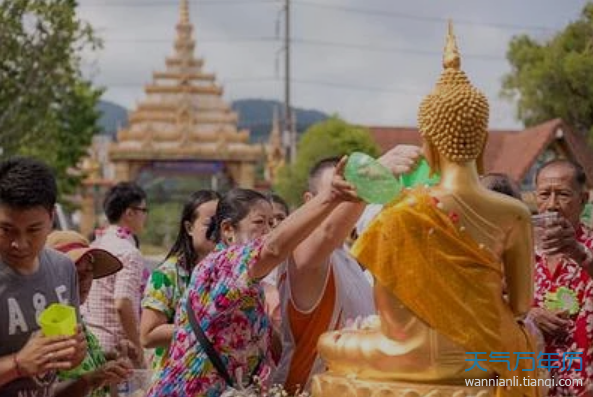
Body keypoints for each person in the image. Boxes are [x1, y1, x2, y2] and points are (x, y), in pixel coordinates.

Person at [315, 25, 539, 397]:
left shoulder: (400, 212)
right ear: (483, 140)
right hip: (492, 356)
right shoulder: (515, 212)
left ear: (428, 141)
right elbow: (520, 304)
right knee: (529, 359)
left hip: (412, 356)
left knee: (332, 342)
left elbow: (391, 320)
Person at [146, 159, 358, 397]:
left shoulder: (249, 282)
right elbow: (274, 248)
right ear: (228, 230)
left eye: (272, 223)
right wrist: (331, 195)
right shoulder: (221, 265)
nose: (269, 231)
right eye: (259, 223)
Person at [274, 145, 421, 392]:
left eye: (350, 189)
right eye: (337, 192)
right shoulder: (301, 256)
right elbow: (328, 231)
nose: (347, 196)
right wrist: (371, 175)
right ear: (310, 202)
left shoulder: (349, 260)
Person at [0, 157, 86, 397]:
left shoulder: (64, 269)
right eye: (6, 230)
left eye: (34, 230)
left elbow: (66, 364)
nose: (20, 243)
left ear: (51, 217)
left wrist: (75, 354)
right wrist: (18, 364)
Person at [529, 159, 593, 396]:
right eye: (545, 194)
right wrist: (529, 313)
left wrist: (577, 251)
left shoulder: (588, 248)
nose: (552, 205)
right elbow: (494, 298)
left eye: (563, 195)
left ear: (584, 199)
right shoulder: (522, 252)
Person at [140, 190, 220, 375]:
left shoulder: (230, 272)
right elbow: (147, 335)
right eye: (210, 223)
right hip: (177, 381)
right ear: (189, 227)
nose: (218, 230)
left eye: (223, 224)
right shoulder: (168, 275)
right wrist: (206, 329)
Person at [47, 230, 133, 397]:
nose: (85, 279)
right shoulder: (45, 326)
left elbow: (82, 366)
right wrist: (92, 380)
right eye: (75, 271)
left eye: (89, 270)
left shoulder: (74, 319)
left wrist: (111, 356)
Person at [83, 182, 148, 367]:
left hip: (92, 345)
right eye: (144, 210)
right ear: (129, 213)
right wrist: (138, 349)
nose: (145, 216)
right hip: (117, 350)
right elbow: (122, 303)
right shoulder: (128, 252)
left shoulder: (95, 244)